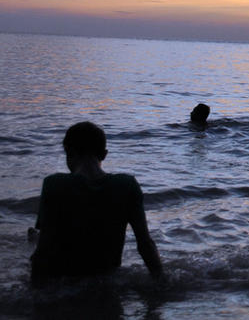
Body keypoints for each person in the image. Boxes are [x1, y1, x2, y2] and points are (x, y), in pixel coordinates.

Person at [30, 121, 163, 283]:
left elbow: (43, 250)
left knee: (34, 239)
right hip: (106, 279)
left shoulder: (54, 184)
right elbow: (145, 245)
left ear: (69, 152)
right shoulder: (127, 185)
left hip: (64, 283)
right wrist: (161, 283)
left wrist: (34, 294)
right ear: (104, 154)